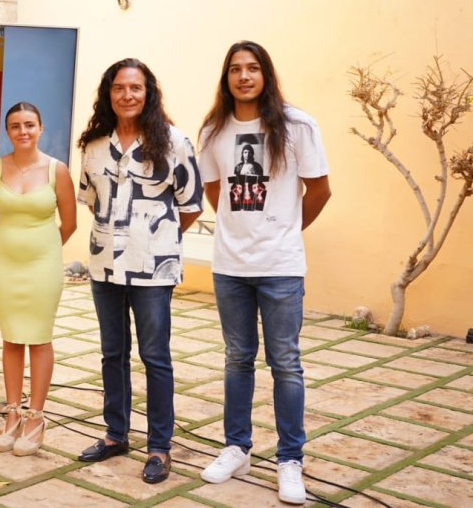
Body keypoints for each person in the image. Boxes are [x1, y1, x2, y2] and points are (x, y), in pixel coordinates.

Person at [196, 41, 331, 504]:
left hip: (280, 267)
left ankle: (290, 459)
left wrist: (284, 230)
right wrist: (240, 228)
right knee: (237, 359)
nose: (244, 76)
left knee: (285, 363)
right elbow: (214, 190)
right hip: (230, 266)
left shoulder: (297, 125)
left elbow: (320, 190)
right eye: (235, 69)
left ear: (266, 74)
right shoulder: (214, 130)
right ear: (226, 77)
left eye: (253, 68)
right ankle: (237, 447)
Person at [75, 58, 202, 484]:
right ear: (108, 94)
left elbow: (190, 206)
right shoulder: (92, 146)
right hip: (105, 267)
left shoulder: (174, 142)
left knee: (155, 357)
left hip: (153, 272)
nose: (127, 95)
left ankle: (160, 447)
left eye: (136, 88)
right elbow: (91, 200)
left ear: (149, 93)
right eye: (119, 88)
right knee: (113, 353)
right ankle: (116, 435)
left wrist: (153, 239)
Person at [0, 102, 76, 456]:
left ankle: (36, 417)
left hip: (43, 265)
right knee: (10, 338)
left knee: (38, 338)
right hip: (6, 264)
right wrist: (13, 247)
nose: (23, 131)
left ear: (41, 128)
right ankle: (12, 414)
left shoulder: (57, 170)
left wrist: (43, 250)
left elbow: (70, 223)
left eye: (30, 125)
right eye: (16, 126)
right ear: (8, 131)